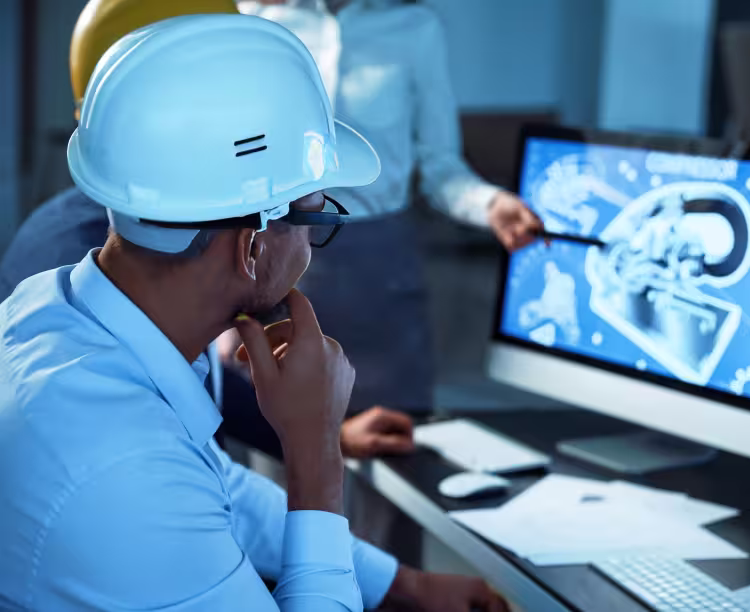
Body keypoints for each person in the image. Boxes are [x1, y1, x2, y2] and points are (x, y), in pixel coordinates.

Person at [0, 13, 507, 611]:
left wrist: (404, 584)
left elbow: (219, 485)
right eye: (319, 217)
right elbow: (157, 483)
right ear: (254, 244)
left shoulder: (53, 311)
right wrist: (315, 455)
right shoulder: (125, 470)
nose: (311, 246)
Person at [0, 0, 419, 462]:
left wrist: (322, 435)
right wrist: (316, 444)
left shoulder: (130, 270)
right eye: (312, 216)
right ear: (252, 244)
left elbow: (218, 459)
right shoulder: (122, 429)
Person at [223, 0, 544, 416]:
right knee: (282, 450)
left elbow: (440, 166)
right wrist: (230, 299)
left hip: (382, 279)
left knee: (394, 453)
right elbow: (232, 163)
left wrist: (492, 204)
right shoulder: (254, 21)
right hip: (274, 264)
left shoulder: (416, 29)